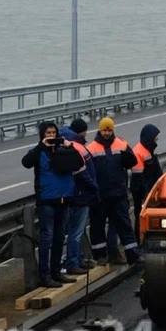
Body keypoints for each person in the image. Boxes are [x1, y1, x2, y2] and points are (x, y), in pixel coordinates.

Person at [21, 121, 84, 287]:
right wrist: (40, 146)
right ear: (42, 135)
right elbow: (26, 162)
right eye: (47, 133)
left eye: (53, 133)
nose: (51, 136)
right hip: (47, 200)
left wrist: (69, 146)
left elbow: (79, 162)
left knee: (59, 237)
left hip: (64, 199)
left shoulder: (64, 149)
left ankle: (56, 272)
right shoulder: (39, 152)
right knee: (46, 238)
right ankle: (45, 275)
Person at [87, 117, 140, 265]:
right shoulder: (91, 148)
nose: (107, 133)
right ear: (99, 130)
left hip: (118, 194)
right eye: (104, 130)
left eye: (109, 130)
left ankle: (132, 256)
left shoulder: (122, 144)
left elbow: (132, 162)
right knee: (97, 226)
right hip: (100, 195)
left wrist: (129, 157)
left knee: (125, 225)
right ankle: (100, 256)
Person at [59, 118, 98, 275]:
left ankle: (77, 259)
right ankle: (74, 262)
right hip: (80, 195)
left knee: (72, 231)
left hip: (69, 195)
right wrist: (94, 188)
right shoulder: (77, 148)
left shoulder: (64, 146)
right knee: (76, 232)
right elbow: (83, 173)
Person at [129, 123, 162, 224]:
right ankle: (139, 237)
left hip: (149, 190)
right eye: (155, 139)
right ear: (149, 138)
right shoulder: (138, 152)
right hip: (142, 193)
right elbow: (139, 178)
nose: (156, 141)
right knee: (140, 216)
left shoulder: (148, 149)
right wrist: (146, 195)